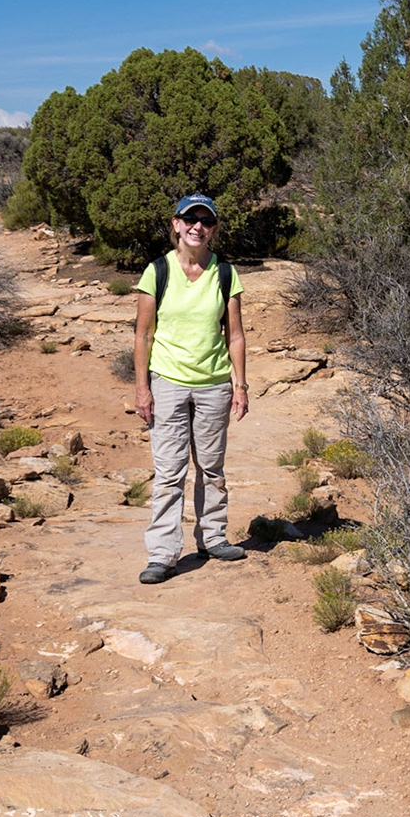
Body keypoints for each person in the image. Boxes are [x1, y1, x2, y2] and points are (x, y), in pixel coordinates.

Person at [133, 193, 249, 584]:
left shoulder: (226, 274)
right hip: (167, 383)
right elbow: (143, 334)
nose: (198, 226)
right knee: (169, 472)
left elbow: (234, 335)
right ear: (177, 224)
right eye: (190, 219)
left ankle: (213, 537)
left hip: (214, 385)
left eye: (206, 221)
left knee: (211, 468)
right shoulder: (157, 271)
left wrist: (240, 384)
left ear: (213, 229)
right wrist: (141, 389)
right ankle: (163, 554)